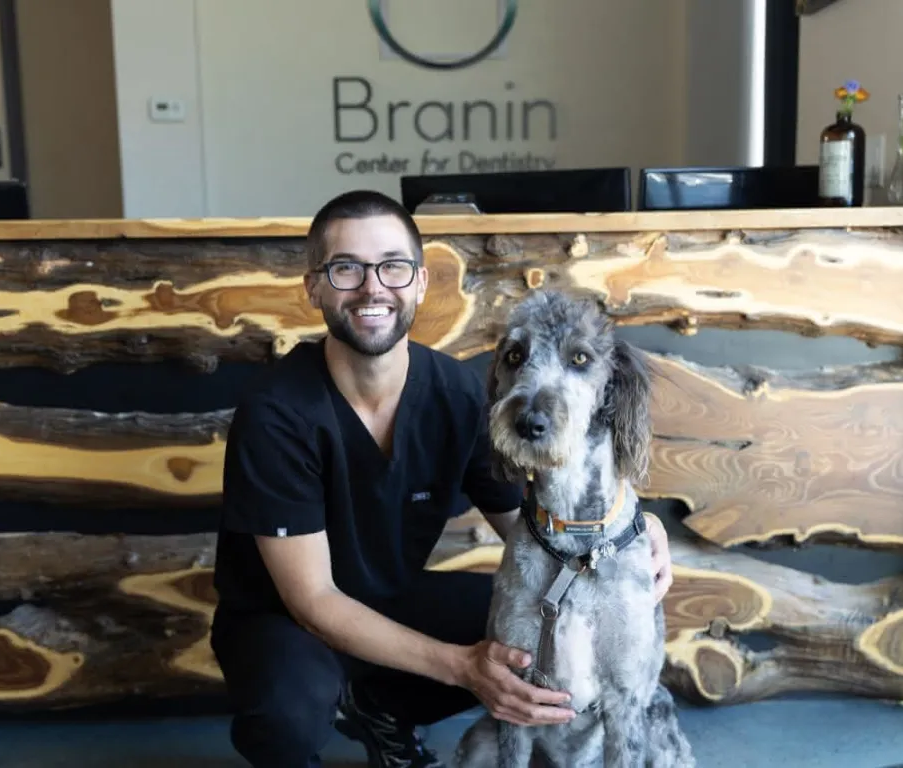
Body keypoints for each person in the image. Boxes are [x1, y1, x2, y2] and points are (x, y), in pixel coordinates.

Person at [209, 189, 675, 768]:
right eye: (346, 268)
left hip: (391, 599)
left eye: (392, 267)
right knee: (284, 713)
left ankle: (379, 710)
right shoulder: (277, 411)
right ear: (315, 288)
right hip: (285, 619)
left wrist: (631, 526)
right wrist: (463, 668)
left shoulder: (456, 394)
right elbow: (313, 602)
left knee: (523, 624)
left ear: (421, 284)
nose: (372, 286)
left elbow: (531, 529)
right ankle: (305, 728)